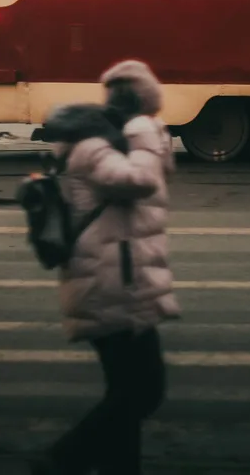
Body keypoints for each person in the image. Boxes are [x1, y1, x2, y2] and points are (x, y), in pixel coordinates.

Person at [34, 60, 178, 475]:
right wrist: (147, 134)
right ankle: (61, 460)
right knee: (144, 391)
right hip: (108, 282)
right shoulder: (92, 147)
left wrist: (147, 135)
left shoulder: (112, 141)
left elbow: (159, 172)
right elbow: (141, 181)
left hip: (122, 279)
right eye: (147, 112)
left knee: (128, 391)